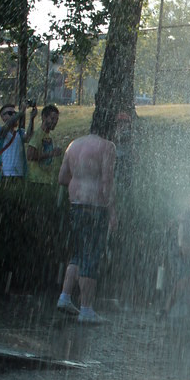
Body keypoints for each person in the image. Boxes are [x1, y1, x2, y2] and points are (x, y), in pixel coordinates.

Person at [56, 126, 117, 324]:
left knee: (78, 253)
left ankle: (64, 297)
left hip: (75, 205)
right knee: (91, 256)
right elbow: (107, 181)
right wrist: (112, 211)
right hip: (94, 207)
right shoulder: (106, 146)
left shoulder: (73, 145)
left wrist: (80, 183)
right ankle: (86, 309)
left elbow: (62, 178)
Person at [0, 102, 37, 179]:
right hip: (4, 175)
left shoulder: (19, 132)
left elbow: (28, 137)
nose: (14, 115)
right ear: (3, 117)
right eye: (10, 113)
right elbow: (6, 127)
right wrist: (21, 112)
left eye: (15, 113)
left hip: (20, 174)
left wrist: (32, 118)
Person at [26, 104, 63, 184]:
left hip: (47, 179)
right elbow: (30, 155)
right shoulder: (38, 135)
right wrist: (51, 153)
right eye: (52, 118)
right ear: (44, 117)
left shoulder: (49, 136)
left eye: (57, 119)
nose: (55, 122)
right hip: (36, 180)